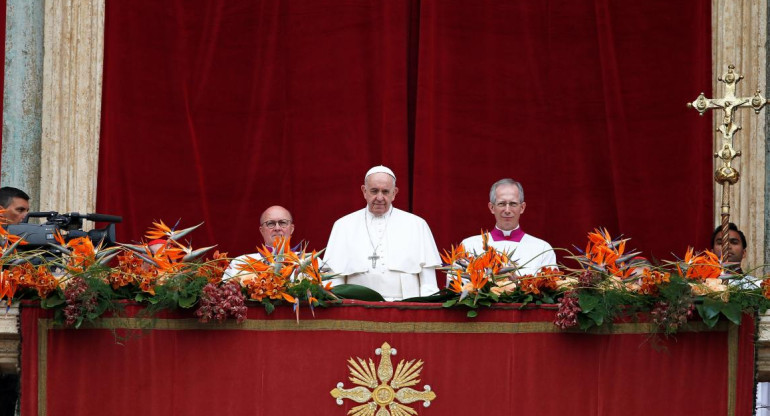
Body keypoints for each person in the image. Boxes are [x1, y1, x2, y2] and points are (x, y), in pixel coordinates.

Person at [323, 166, 441, 301]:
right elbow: (335, 281)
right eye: (374, 191)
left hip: (405, 308)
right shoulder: (343, 225)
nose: (380, 197)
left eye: (385, 191)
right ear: (364, 191)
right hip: (358, 308)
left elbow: (429, 284)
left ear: (394, 193)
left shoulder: (417, 225)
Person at [461, 178, 556, 276]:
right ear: (492, 207)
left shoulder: (542, 249)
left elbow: (551, 288)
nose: (507, 210)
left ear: (522, 208)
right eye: (501, 204)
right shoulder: (469, 246)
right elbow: (455, 288)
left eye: (513, 204)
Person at [223, 205, 296, 279]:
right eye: (270, 223)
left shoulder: (305, 263)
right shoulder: (241, 262)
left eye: (283, 223)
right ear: (262, 231)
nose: (277, 228)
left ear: (292, 229)